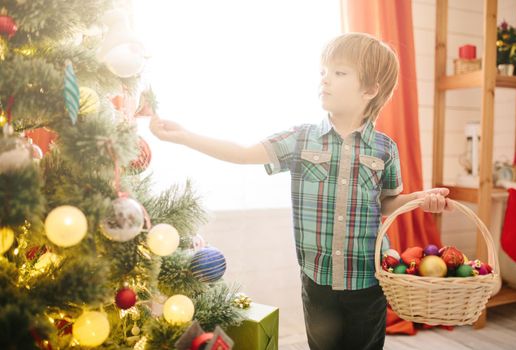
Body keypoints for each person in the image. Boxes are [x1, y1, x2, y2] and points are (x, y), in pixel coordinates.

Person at [150, 32, 453, 350]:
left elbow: (387, 202)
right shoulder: (301, 139)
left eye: (339, 73)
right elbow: (242, 153)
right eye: (324, 72)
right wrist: (185, 136)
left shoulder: (385, 148)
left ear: (370, 89)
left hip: (368, 280)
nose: (325, 80)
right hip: (317, 279)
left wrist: (418, 200)